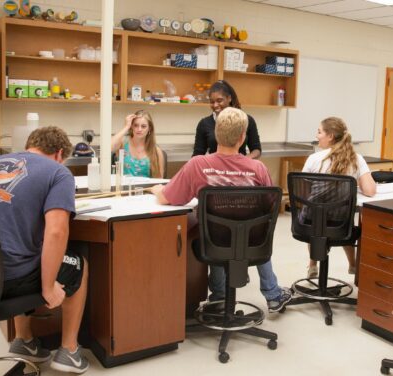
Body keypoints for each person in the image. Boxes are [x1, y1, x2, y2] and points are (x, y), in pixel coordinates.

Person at [0, 126, 90, 374]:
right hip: (5, 279)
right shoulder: (59, 173)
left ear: (30, 146)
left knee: (26, 252)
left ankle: (24, 341)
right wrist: (48, 287)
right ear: (59, 154)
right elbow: (57, 232)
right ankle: (69, 350)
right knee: (77, 264)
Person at [152, 107, 292, 313]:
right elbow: (268, 211)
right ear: (243, 137)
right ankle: (272, 294)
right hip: (252, 243)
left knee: (217, 227)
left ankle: (219, 297)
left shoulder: (197, 165)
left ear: (216, 133)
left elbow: (167, 198)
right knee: (248, 228)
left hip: (213, 244)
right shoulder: (258, 169)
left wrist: (157, 189)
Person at [301, 117, 376, 279]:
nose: (317, 135)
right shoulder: (356, 159)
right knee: (342, 218)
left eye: (319, 132)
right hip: (341, 225)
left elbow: (304, 195)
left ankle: (313, 264)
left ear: (330, 136)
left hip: (309, 224)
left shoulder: (314, 159)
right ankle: (353, 264)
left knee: (316, 213)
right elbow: (370, 190)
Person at [192, 80, 262, 159]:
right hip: (215, 169)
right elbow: (197, 155)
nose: (215, 105)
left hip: (240, 169)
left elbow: (256, 149)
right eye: (212, 102)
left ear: (229, 98)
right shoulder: (204, 124)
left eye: (219, 101)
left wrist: (244, 161)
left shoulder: (247, 120)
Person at [111, 110, 165, 178]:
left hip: (147, 188)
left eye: (143, 126)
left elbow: (159, 180)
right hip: (125, 188)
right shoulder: (122, 145)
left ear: (149, 128)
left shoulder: (156, 151)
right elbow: (107, 147)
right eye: (136, 125)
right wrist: (126, 127)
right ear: (132, 127)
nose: (139, 129)